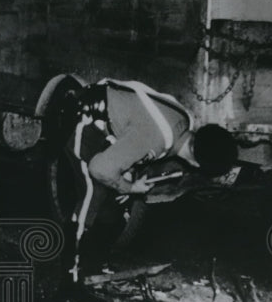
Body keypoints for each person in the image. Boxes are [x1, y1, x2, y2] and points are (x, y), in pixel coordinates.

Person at [67, 80, 238, 277]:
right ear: (197, 164)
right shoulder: (158, 139)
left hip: (110, 123)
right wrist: (128, 187)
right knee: (92, 194)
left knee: (118, 203)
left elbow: (134, 135)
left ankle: (92, 266)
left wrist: (126, 179)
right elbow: (99, 168)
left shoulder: (185, 122)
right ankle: (70, 281)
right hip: (82, 114)